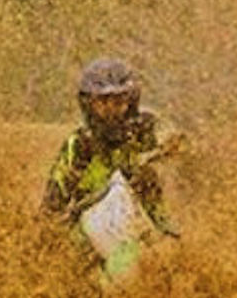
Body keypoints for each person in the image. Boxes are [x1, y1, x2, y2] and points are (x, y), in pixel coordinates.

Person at [42, 57, 183, 244]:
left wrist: (165, 147)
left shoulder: (144, 128)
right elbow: (53, 201)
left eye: (118, 102)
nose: (111, 110)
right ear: (88, 104)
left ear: (130, 102)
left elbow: (173, 138)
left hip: (144, 222)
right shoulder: (80, 144)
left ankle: (166, 233)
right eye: (102, 102)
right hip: (89, 231)